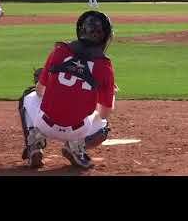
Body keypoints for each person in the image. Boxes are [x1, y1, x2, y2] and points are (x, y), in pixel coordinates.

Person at [18, 11, 117, 169]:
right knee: (103, 125)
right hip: (79, 130)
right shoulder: (105, 66)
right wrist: (109, 95)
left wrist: (54, 86)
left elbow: (40, 91)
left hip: (45, 124)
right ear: (104, 37)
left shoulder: (59, 51)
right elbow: (104, 113)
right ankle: (76, 147)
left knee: (27, 96)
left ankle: (34, 143)